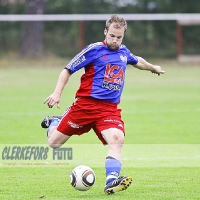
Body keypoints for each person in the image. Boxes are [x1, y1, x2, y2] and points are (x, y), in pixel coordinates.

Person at [41, 14, 165, 195]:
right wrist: (57, 93)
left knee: (117, 139)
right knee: (54, 143)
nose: (115, 40)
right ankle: (55, 122)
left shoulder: (123, 52)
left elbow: (137, 61)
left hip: (109, 110)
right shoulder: (94, 50)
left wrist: (153, 68)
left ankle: (111, 181)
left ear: (123, 35)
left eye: (119, 37)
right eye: (112, 36)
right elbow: (67, 69)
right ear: (105, 32)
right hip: (84, 106)